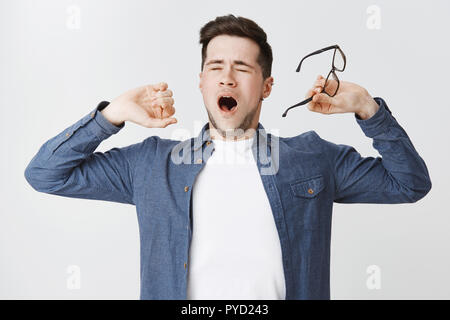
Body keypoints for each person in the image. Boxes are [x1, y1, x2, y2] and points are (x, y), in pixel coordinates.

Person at [24, 14, 432, 300]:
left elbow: (410, 184)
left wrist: (367, 109)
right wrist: (111, 115)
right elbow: (46, 173)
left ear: (267, 86)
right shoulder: (150, 163)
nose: (227, 77)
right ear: (201, 81)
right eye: (215, 66)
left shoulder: (312, 157)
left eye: (242, 68)